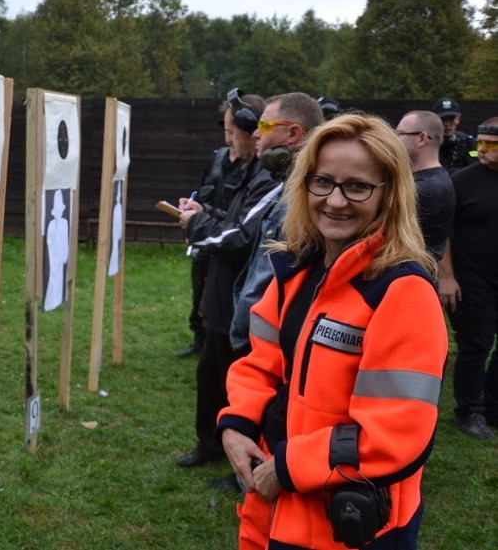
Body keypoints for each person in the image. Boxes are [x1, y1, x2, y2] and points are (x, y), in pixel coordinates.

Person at [217, 113, 447, 549]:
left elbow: (394, 434)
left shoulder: (402, 292)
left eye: (357, 186)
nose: (335, 201)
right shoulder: (296, 272)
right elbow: (258, 365)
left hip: (348, 522)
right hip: (273, 504)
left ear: (389, 196)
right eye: (322, 181)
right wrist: (236, 426)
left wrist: (286, 467)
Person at [215, 92, 325, 493]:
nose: (255, 135)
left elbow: (276, 280)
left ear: (294, 134)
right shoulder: (287, 188)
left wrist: (246, 328)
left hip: (278, 341)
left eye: (263, 126)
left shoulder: (303, 197)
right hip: (267, 337)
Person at [175, 89, 277, 467]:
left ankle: (242, 459)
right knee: (211, 375)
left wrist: (197, 223)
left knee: (238, 381)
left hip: (241, 295)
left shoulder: (266, 175)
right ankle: (211, 445)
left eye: (233, 130)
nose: (227, 137)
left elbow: (240, 237)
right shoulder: (244, 166)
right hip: (223, 289)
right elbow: (233, 218)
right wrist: (204, 211)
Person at [177, 101, 252, 358]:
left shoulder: (251, 164)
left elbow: (240, 222)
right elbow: (202, 191)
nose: (227, 135)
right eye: (225, 128)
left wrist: (201, 218)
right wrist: (192, 204)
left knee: (222, 293)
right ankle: (199, 338)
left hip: (223, 234)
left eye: (232, 129)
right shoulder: (216, 158)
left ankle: (217, 339)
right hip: (206, 236)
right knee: (199, 286)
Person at [438, 117, 498, 439]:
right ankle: (468, 410)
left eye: (491, 144)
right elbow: (444, 232)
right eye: (479, 142)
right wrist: (447, 277)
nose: (482, 149)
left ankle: (493, 406)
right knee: (477, 343)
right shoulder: (461, 181)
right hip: (471, 276)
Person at [395, 110, 455, 261]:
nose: (394, 141)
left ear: (422, 138)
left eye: (400, 134)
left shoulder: (427, 189)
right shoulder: (436, 180)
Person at [432, 97, 477, 171]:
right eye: (443, 119)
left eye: (451, 119)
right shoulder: (426, 142)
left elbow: (475, 169)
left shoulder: (467, 142)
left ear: (458, 119)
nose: (447, 124)